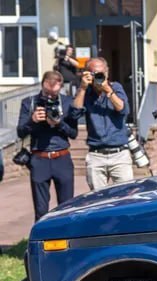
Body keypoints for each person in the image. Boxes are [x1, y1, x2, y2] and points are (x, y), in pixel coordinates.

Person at [16, 71, 78, 220]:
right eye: (46, 93)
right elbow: (20, 132)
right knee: (41, 210)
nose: (49, 98)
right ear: (42, 85)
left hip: (62, 158)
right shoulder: (29, 103)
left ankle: (66, 240)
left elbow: (73, 133)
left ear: (61, 88)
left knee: (67, 208)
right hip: (39, 159)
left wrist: (59, 124)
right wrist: (33, 121)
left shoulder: (67, 102)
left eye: (54, 94)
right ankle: (43, 241)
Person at [72, 57, 132, 190]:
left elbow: (123, 110)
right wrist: (82, 88)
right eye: (94, 73)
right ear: (87, 74)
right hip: (96, 154)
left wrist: (108, 90)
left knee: (126, 196)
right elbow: (74, 113)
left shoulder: (115, 87)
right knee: (97, 199)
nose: (99, 77)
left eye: (101, 73)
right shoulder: (85, 92)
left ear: (107, 72)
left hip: (119, 153)